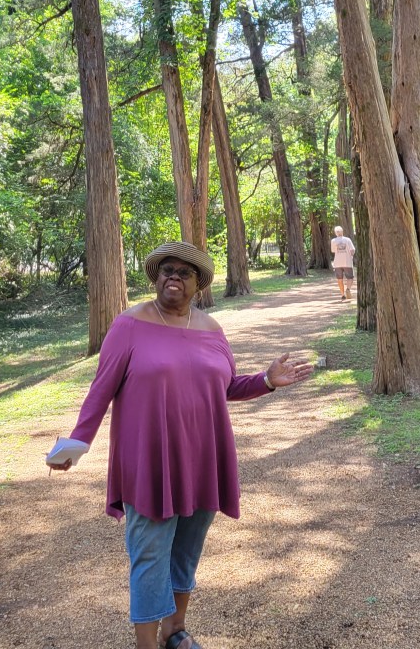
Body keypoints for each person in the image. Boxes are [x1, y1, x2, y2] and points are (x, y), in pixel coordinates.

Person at [48, 239, 312, 649]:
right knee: (150, 555)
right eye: (167, 270)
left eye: (184, 272)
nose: (174, 277)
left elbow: (225, 386)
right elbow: (101, 390)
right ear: (156, 278)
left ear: (198, 284)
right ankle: (146, 644)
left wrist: (265, 381)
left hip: (203, 458)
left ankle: (175, 631)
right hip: (149, 460)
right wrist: (77, 443)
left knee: (186, 551)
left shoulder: (211, 329)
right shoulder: (129, 325)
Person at [331, 225, 356, 301]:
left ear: (336, 233)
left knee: (340, 279)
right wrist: (351, 255)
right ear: (342, 232)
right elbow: (352, 250)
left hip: (337, 263)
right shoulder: (347, 240)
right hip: (347, 262)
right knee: (350, 277)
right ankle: (348, 289)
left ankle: (342, 294)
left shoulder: (333, 241)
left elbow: (333, 250)